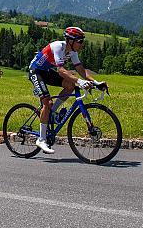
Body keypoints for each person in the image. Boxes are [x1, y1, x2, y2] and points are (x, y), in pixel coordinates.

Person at [28, 26, 103, 154]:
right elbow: (61, 70)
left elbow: (80, 70)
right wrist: (79, 81)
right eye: (80, 41)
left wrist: (96, 82)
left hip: (46, 71)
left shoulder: (72, 52)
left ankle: (51, 112)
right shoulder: (58, 47)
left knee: (70, 86)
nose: (82, 44)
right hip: (35, 71)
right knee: (47, 102)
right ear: (71, 41)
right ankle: (41, 139)